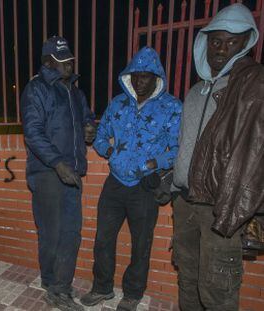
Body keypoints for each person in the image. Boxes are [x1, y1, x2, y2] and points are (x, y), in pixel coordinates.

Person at [172, 3, 263, 310]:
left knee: (217, 293)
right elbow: (187, 144)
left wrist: (249, 211)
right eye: (216, 41)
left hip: (220, 209)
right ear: (205, 43)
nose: (222, 49)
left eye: (232, 42)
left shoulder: (251, 86)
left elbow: (256, 152)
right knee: (187, 281)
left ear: (246, 43)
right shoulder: (195, 91)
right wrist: (172, 181)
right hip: (185, 204)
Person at [81, 47, 182, 311]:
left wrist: (154, 163)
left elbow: (178, 147)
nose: (139, 81)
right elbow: (101, 136)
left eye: (145, 77)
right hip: (115, 183)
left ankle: (133, 294)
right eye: (135, 76)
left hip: (144, 186)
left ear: (156, 77)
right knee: (103, 239)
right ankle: (102, 288)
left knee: (141, 244)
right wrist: (111, 151)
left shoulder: (172, 107)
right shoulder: (118, 103)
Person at [21, 36, 96, 311]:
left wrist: (90, 128)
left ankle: (59, 285)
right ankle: (53, 285)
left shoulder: (76, 92)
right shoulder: (36, 89)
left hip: (72, 170)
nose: (69, 64)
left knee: (72, 232)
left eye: (70, 59)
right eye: (62, 60)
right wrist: (57, 163)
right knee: (52, 233)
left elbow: (87, 117)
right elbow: (33, 132)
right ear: (48, 62)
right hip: (47, 172)